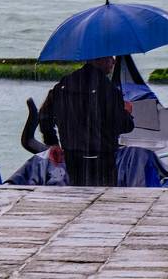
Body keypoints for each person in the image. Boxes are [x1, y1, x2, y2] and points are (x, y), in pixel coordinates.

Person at [37, 55, 135, 187]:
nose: (113, 61)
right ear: (98, 59)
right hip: (103, 158)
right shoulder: (109, 90)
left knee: (77, 192)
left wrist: (53, 143)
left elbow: (44, 115)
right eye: (110, 58)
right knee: (105, 195)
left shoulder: (64, 84)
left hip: (72, 156)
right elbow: (124, 126)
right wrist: (127, 112)